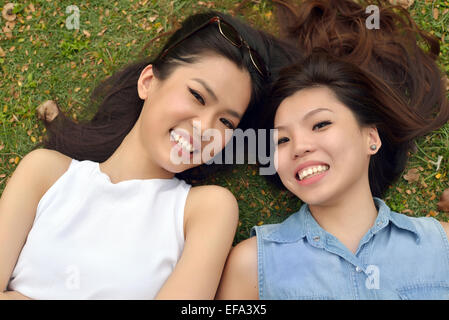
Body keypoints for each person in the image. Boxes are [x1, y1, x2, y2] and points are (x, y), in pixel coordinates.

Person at [0, 11, 298, 300]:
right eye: (197, 96)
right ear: (148, 82)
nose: (204, 128)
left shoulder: (205, 210)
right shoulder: (45, 173)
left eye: (226, 122)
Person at [216, 1, 449, 300]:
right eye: (282, 140)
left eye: (320, 124)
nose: (299, 147)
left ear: (371, 138)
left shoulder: (440, 246)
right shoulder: (251, 266)